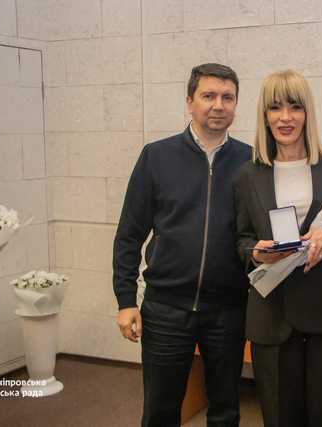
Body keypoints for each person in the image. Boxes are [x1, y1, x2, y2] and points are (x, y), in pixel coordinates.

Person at [233, 70, 322, 427]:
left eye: (295, 107)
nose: (285, 117)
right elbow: (240, 241)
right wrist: (257, 253)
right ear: (264, 115)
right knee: (280, 418)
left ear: (307, 112)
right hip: (271, 316)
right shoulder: (246, 175)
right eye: (275, 108)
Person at [113, 63, 252, 427]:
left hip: (228, 310)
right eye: (209, 96)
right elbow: (129, 234)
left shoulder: (252, 162)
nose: (218, 105)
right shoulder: (157, 156)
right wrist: (126, 300)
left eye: (228, 97)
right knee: (160, 410)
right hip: (166, 310)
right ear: (190, 102)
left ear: (236, 104)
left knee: (226, 410)